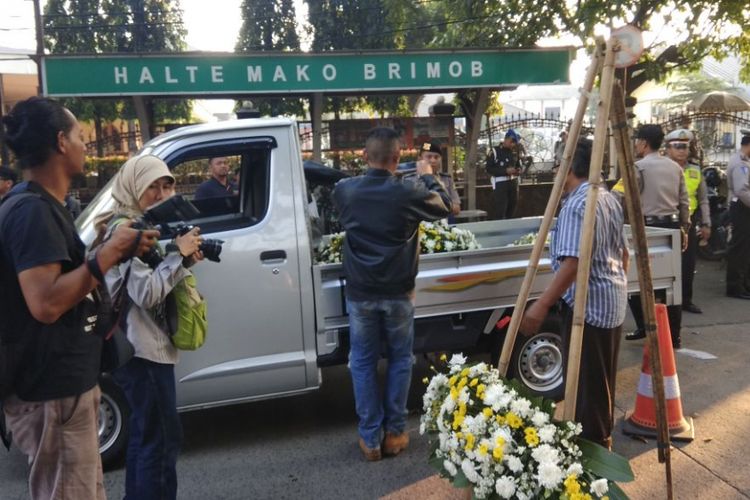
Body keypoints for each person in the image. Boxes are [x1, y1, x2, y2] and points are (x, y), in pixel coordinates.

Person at [0, 96, 158, 500]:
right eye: (79, 135)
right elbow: (46, 302)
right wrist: (108, 255)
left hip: (62, 387)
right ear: (60, 142)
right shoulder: (31, 212)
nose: (86, 143)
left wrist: (104, 246)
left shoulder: (40, 207)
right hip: (53, 393)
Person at [332, 127, 451, 462]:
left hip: (360, 293)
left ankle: (370, 438)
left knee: (363, 362)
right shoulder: (408, 191)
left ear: (365, 156)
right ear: (398, 159)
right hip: (400, 292)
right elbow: (445, 207)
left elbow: (337, 195)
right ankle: (396, 433)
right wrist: (428, 175)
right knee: (400, 359)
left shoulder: (346, 191)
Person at [102, 155, 204, 500]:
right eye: (152, 187)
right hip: (141, 350)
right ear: (133, 187)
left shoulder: (135, 224)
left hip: (141, 348)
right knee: (161, 441)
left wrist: (183, 258)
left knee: (146, 438)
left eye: (167, 184)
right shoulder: (125, 230)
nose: (162, 194)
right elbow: (146, 293)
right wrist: (177, 254)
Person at [520, 138, 628, 449]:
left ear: (569, 167)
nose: (556, 172)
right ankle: (600, 438)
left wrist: (540, 305)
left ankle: (593, 452)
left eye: (558, 165)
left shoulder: (579, 204)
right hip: (611, 302)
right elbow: (624, 255)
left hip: (589, 308)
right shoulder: (607, 198)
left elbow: (573, 264)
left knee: (586, 386)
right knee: (600, 381)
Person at [624, 124, 689, 349]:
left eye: (636, 140)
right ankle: (674, 337)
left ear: (643, 142)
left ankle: (645, 326)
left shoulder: (638, 167)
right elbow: (684, 201)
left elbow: (629, 199)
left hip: (646, 228)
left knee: (636, 280)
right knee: (671, 283)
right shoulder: (675, 167)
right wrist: (684, 228)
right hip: (671, 227)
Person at [664, 129, 711, 313]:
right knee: (667, 264)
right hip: (668, 222)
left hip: (688, 224)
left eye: (685, 147)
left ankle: (686, 300)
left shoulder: (695, 170)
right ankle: (666, 301)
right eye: (678, 146)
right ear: (668, 149)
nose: (682, 150)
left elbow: (703, 199)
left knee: (688, 264)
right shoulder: (663, 169)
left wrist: (706, 223)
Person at [403, 142, 461, 221]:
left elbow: (456, 208)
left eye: (436, 157)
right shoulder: (409, 180)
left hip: (444, 226)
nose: (433, 160)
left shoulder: (447, 179)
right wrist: (441, 205)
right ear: (420, 159)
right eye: (429, 157)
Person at [725, 134, 750, 299]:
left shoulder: (744, 161)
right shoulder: (740, 163)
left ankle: (744, 285)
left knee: (746, 249)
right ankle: (735, 287)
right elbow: (742, 190)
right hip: (742, 208)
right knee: (740, 249)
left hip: (744, 207)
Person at [486, 129, 522, 219]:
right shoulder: (495, 151)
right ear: (506, 139)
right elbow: (489, 168)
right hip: (500, 184)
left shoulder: (514, 152)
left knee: (512, 209)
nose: (513, 144)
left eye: (515, 143)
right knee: (500, 210)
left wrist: (518, 170)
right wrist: (505, 171)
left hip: (513, 183)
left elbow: (518, 165)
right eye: (512, 141)